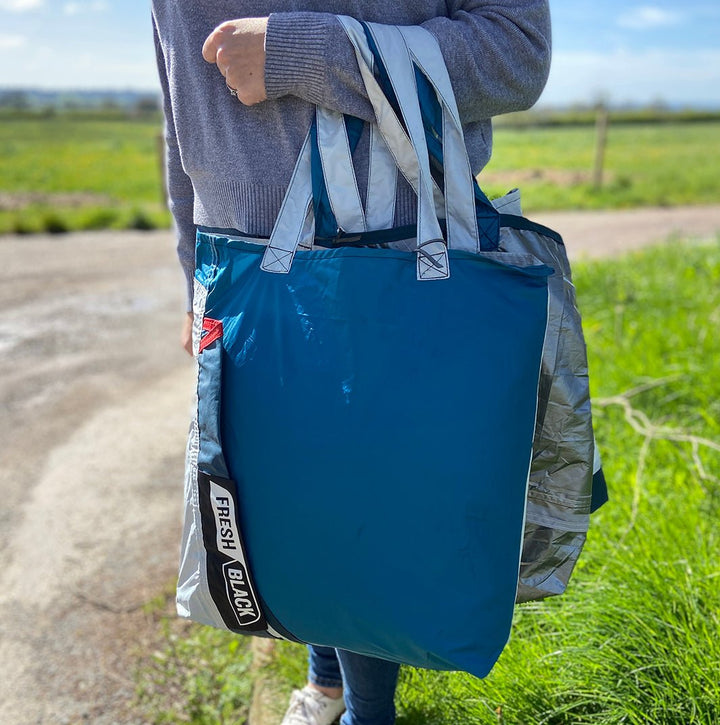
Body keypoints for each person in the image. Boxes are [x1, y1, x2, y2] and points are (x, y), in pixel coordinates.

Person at [151, 2, 551, 724]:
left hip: (393, 260)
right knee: (290, 513)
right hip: (243, 277)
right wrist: (193, 280)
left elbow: (516, 52)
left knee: (364, 523)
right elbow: (177, 100)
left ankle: (368, 713)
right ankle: (326, 684)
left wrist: (304, 53)